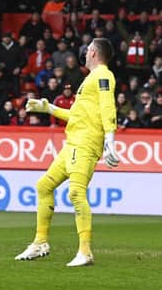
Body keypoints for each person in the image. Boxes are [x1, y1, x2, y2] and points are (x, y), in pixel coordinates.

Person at [15, 38, 119, 267]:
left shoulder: (103, 74)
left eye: (88, 48)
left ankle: (85, 251)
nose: (85, 51)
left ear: (92, 52)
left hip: (85, 143)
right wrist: (48, 108)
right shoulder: (91, 78)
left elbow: (107, 105)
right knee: (44, 186)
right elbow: (78, 115)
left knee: (76, 193)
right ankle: (40, 242)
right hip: (73, 142)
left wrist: (111, 139)